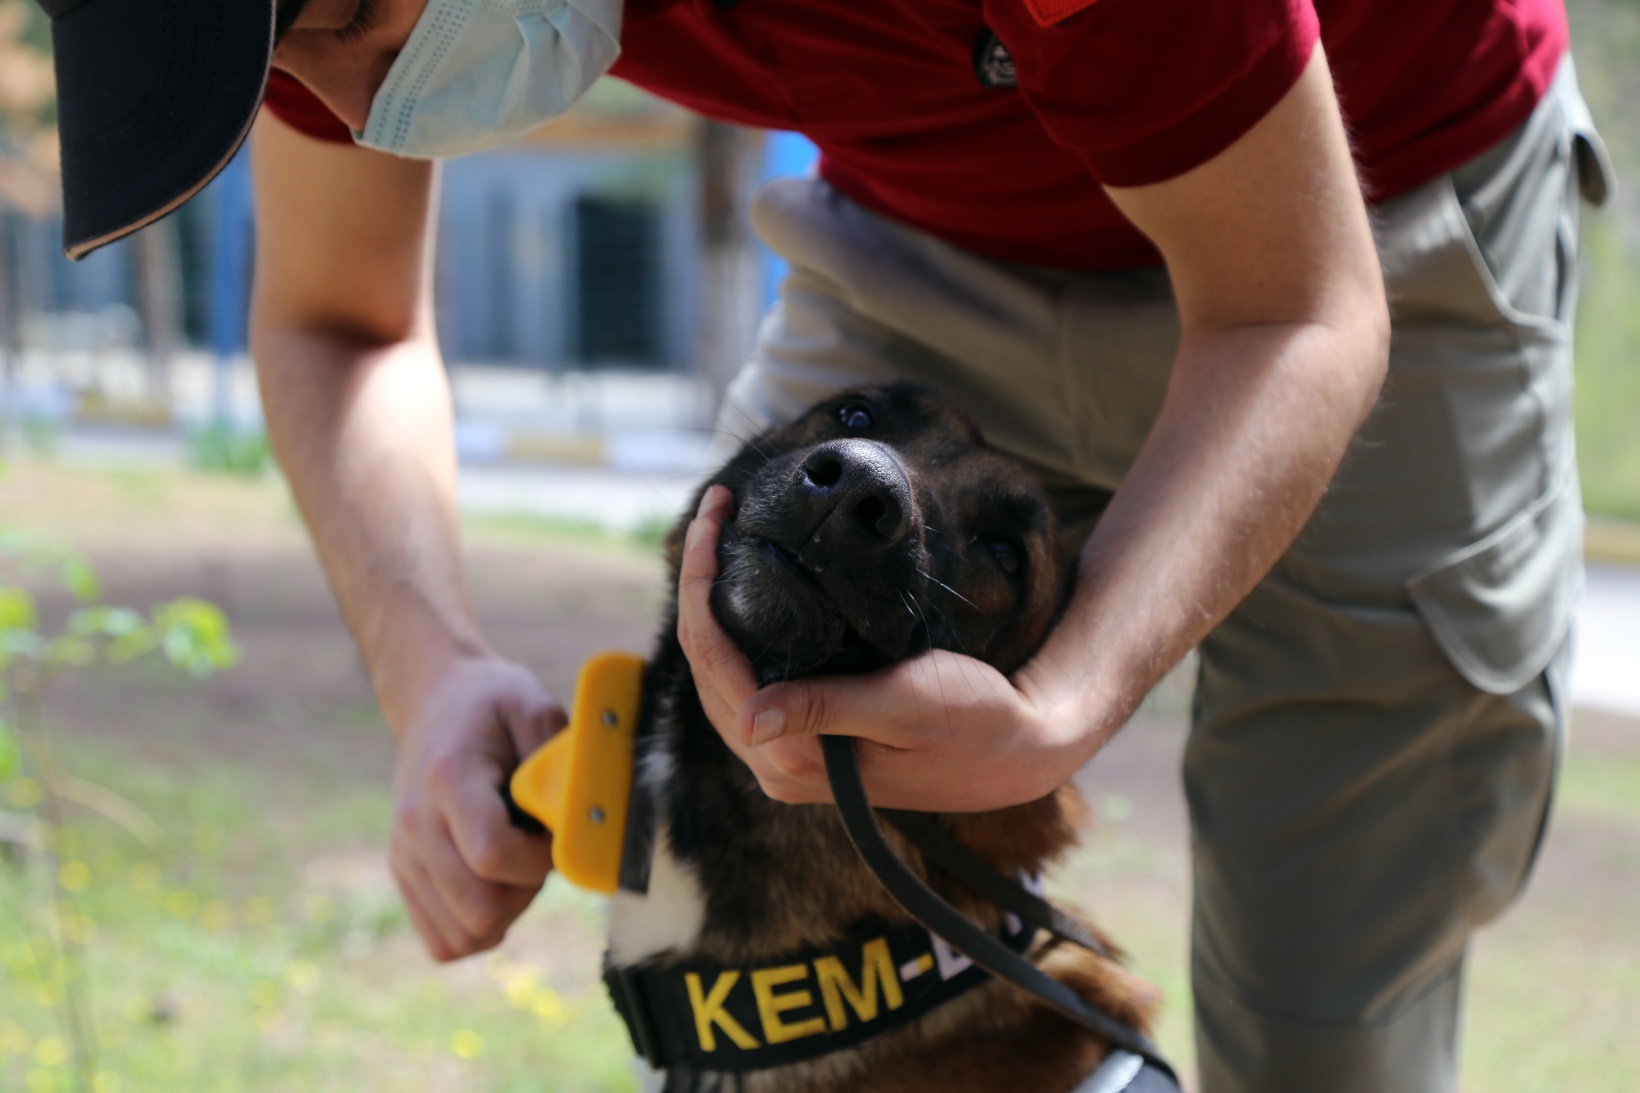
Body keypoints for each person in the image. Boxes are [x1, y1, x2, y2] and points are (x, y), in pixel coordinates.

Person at [37, 0, 1611, 1089]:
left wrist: (1064, 709)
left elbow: (1293, 308)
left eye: (346, 13)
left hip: (1374, 211)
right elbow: (339, 318)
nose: (343, 90)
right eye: (280, 51)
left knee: (1330, 1017)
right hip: (932, 234)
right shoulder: (316, 36)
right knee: (737, 938)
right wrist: (427, 668)